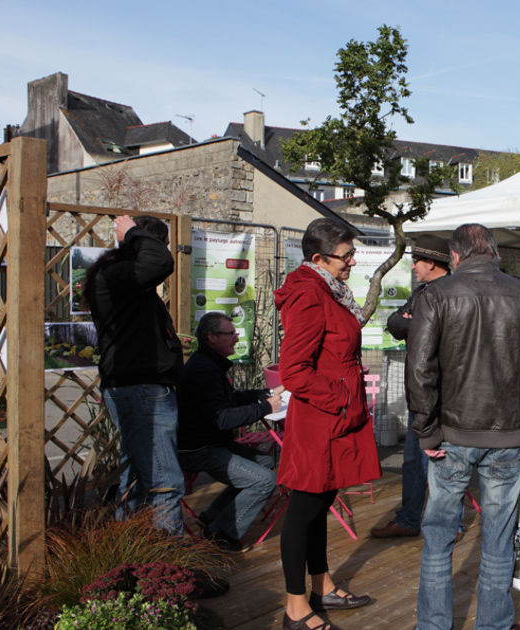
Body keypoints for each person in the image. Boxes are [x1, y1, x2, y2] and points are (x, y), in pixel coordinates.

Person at [406, 223, 520, 630]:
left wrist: (426, 430)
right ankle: (494, 625)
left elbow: (419, 370)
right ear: (494, 252)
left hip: (451, 436)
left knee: (437, 538)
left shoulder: (436, 295)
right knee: (498, 539)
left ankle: (433, 626)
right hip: (508, 437)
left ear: (454, 257)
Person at [275, 218, 380, 630]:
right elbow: (293, 371)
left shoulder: (329, 289)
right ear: (318, 258)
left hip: (336, 419)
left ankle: (322, 585)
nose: (352, 261)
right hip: (320, 421)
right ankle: (295, 608)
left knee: (320, 506)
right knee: (303, 510)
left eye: (353, 253)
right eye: (346, 255)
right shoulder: (308, 295)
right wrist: (340, 398)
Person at [86, 215, 185, 534]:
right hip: (143, 390)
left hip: (139, 387)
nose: (164, 250)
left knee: (137, 477)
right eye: (162, 243)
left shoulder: (124, 281)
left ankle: (129, 552)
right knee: (164, 482)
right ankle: (173, 571)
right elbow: (160, 261)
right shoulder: (117, 274)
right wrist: (132, 232)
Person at [177, 312, 282, 551]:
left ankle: (212, 516)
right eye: (230, 333)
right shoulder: (203, 370)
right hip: (200, 449)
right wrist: (265, 408)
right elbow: (222, 418)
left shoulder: (208, 363)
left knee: (265, 461)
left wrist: (261, 394)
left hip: (211, 442)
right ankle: (222, 534)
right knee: (266, 481)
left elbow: (226, 400)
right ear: (212, 337)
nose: (236, 338)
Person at [370, 235, 451, 540]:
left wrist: (411, 321)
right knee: (414, 461)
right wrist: (409, 320)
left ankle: (445, 523)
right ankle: (409, 518)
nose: (413, 266)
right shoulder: (422, 293)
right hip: (422, 390)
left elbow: (421, 328)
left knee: (435, 461)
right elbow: (394, 323)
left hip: (440, 390)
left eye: (417, 261)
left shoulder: (448, 293)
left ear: (431, 262)